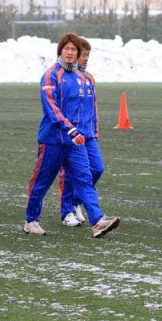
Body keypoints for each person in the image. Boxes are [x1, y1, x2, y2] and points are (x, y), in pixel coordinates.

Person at [24, 32, 119, 238]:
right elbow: (51, 107)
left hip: (75, 142)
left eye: (73, 50)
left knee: (85, 179)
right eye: (66, 49)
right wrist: (70, 128)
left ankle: (97, 221)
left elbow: (86, 108)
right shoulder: (51, 75)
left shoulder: (81, 78)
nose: (69, 52)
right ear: (60, 51)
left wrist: (87, 130)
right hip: (52, 140)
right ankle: (31, 220)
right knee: (42, 182)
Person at [57, 37, 104, 227]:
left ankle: (76, 200)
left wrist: (95, 128)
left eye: (87, 55)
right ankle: (66, 211)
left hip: (89, 134)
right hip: (72, 135)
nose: (85, 59)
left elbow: (92, 106)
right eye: (83, 55)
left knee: (97, 168)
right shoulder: (66, 77)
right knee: (70, 173)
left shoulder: (89, 78)